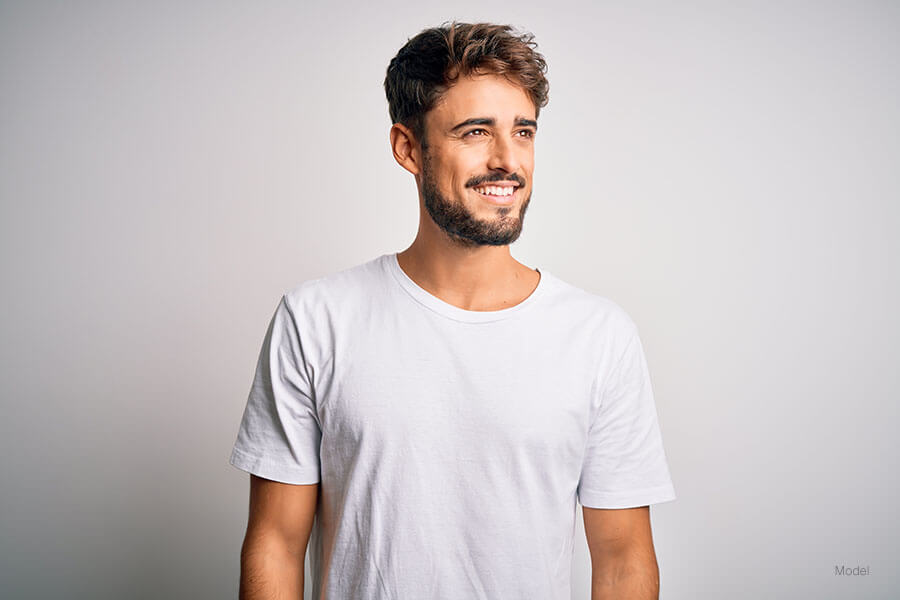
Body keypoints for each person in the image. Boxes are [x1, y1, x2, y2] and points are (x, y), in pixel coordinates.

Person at [229, 21, 676, 600]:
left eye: (523, 131)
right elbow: (275, 544)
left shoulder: (598, 336)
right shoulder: (316, 320)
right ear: (408, 148)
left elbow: (622, 559)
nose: (506, 160)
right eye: (474, 132)